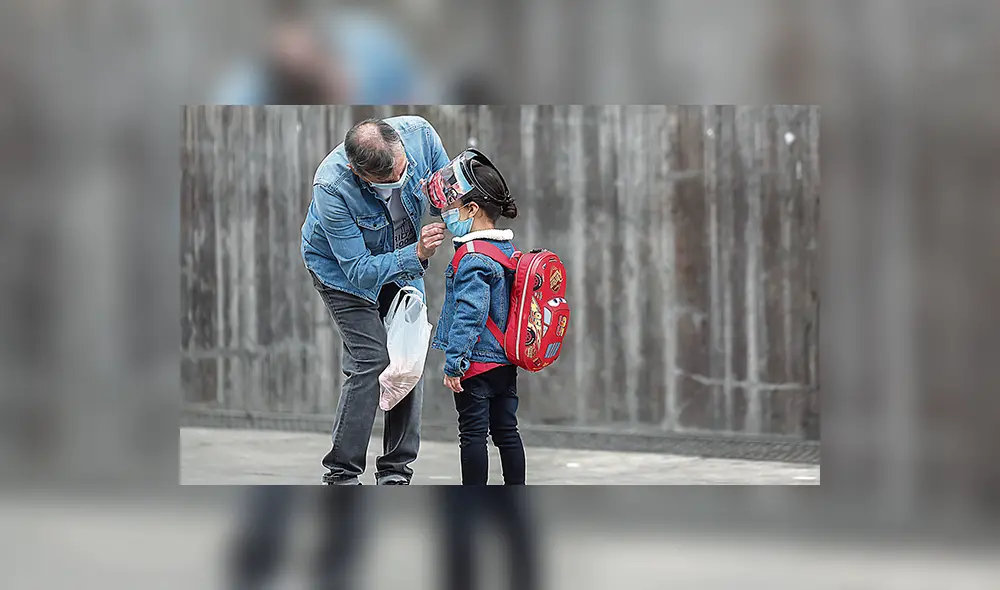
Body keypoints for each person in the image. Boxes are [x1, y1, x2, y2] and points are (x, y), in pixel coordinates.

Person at [302, 116, 449, 485]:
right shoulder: (332, 187)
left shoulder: (420, 136)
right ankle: (342, 473)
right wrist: (416, 254)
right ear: (357, 171)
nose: (400, 181)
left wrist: (467, 232)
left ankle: (396, 473)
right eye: (387, 181)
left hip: (405, 255)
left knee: (408, 358)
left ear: (400, 145)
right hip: (342, 273)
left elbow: (450, 197)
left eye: (403, 171)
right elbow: (360, 271)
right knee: (372, 360)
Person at [429, 156, 526, 485]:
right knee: (507, 432)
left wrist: (455, 362)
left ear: (471, 209)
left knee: (472, 436)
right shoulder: (507, 250)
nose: (446, 215)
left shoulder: (471, 257)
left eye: (451, 207)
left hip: (476, 365)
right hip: (504, 362)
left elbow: (470, 313)